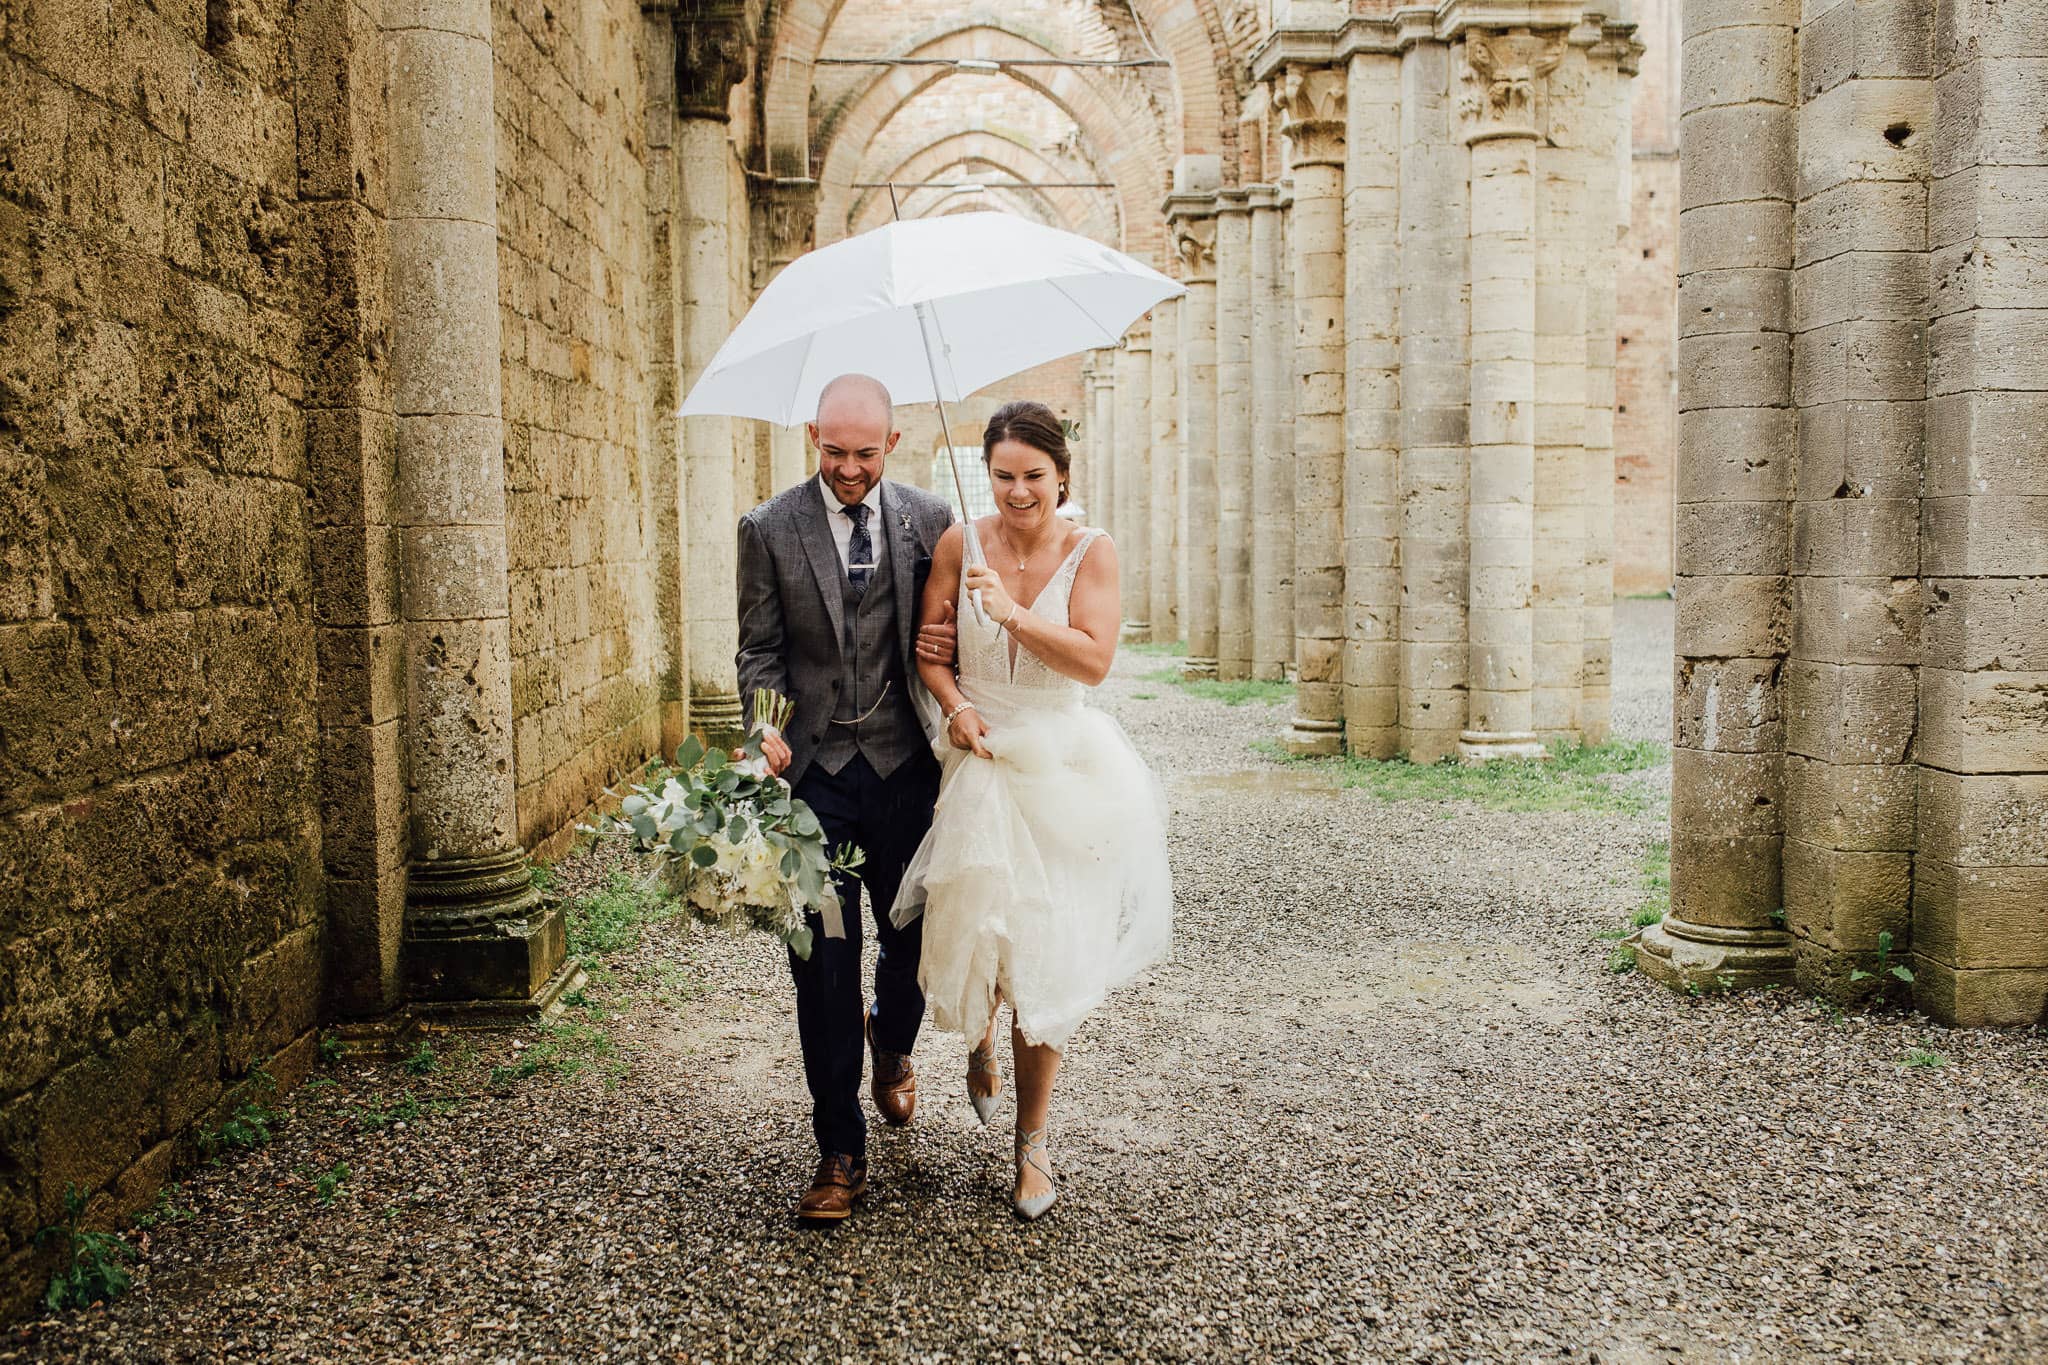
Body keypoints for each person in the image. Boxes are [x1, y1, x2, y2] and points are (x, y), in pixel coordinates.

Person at [894, 399, 1173, 1221]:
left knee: (1046, 955)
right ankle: (979, 1036)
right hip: (978, 758)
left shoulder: (1093, 551)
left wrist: (1014, 612)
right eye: (1004, 476)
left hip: (1060, 765)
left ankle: (1033, 1142)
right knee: (981, 935)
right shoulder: (958, 542)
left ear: (1063, 476)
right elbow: (928, 649)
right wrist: (952, 705)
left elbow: (1092, 661)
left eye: (1034, 477)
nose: (1019, 492)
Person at [734, 374, 958, 1224]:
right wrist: (766, 725)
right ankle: (839, 1148)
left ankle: (892, 1039)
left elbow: (947, 646)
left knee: (913, 939)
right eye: (834, 452)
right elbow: (759, 652)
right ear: (811, 437)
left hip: (907, 769)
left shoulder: (933, 522)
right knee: (823, 961)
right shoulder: (768, 527)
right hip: (817, 780)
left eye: (865, 454)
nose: (849, 470)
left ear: (892, 444)